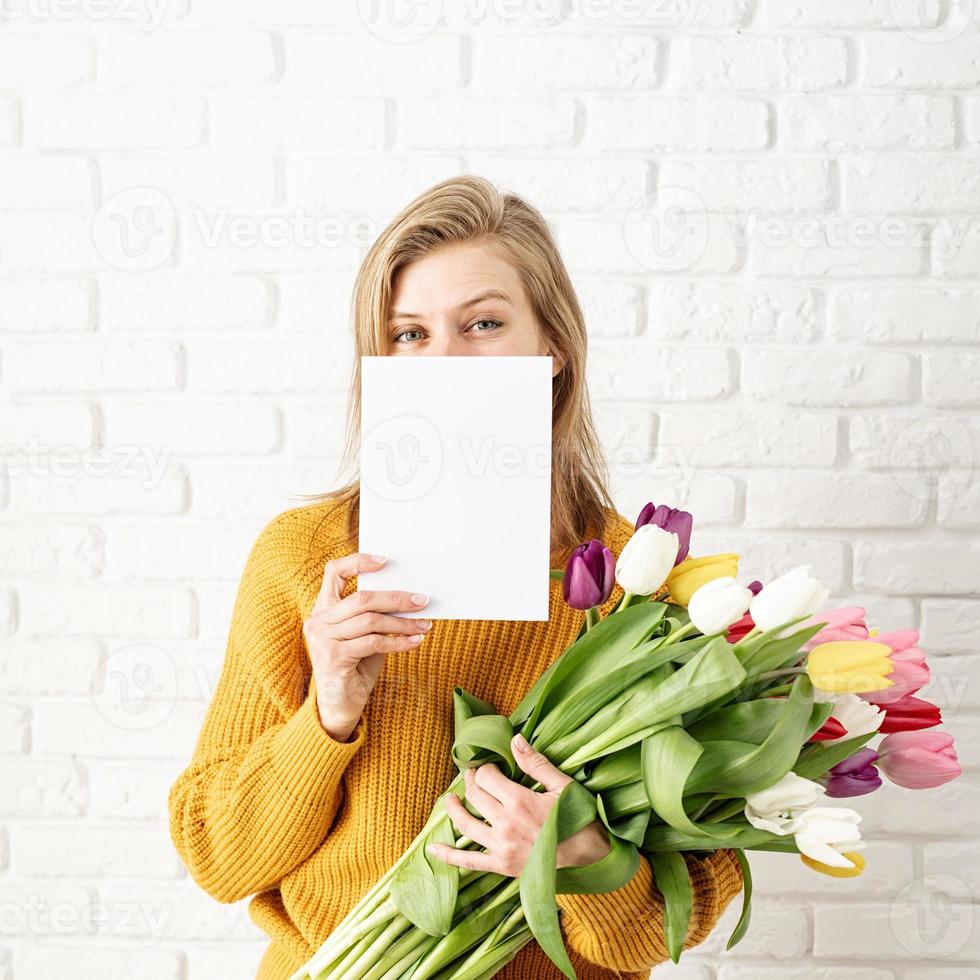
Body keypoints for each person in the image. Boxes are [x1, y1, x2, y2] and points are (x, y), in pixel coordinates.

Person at [167, 175, 743, 979]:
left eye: (482, 323)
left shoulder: (643, 584)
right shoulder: (306, 558)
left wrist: (578, 858)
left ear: (554, 351)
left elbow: (672, 922)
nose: (444, 361)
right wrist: (327, 715)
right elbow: (218, 859)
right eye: (408, 334)